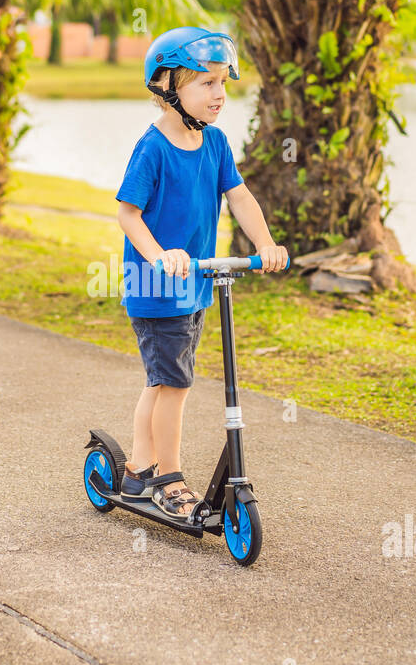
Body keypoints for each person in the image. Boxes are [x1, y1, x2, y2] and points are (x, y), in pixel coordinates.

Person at [114, 26, 289, 520]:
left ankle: (137, 468)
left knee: (162, 380)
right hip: (155, 287)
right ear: (169, 85)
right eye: (207, 83)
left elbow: (240, 198)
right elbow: (129, 214)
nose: (220, 94)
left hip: (194, 286)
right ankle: (168, 478)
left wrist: (265, 244)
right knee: (177, 384)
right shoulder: (153, 148)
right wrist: (159, 256)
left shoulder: (213, 144)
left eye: (223, 83)